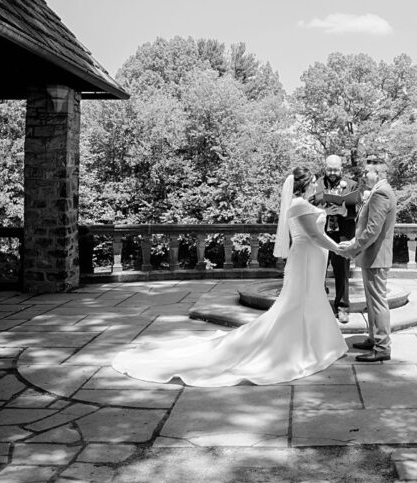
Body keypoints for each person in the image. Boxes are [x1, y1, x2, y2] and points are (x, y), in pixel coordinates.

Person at [110, 167, 347, 386]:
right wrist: (340, 248)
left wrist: (330, 214)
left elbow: (316, 224)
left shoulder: (302, 204)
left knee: (310, 298)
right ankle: (303, 346)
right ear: (304, 184)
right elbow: (315, 236)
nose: (317, 186)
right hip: (306, 258)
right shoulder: (298, 205)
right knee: (298, 302)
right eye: (314, 182)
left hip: (312, 259)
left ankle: (317, 343)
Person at [338, 155, 397, 363]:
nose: (364, 175)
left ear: (378, 173)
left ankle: (382, 347)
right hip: (373, 256)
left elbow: (373, 230)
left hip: (376, 256)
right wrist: (354, 241)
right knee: (372, 302)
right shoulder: (379, 191)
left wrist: (353, 248)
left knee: (378, 302)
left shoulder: (381, 193)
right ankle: (374, 338)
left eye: (367, 172)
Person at [311, 154, 360, 324]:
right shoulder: (316, 185)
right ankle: (318, 306)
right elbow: (308, 208)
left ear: (341, 168)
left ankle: (343, 308)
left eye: (335, 169)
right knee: (318, 272)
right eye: (329, 169)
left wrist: (344, 212)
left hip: (342, 237)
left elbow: (358, 211)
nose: (332, 172)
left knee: (342, 273)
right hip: (321, 235)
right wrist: (324, 211)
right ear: (324, 167)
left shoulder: (352, 184)